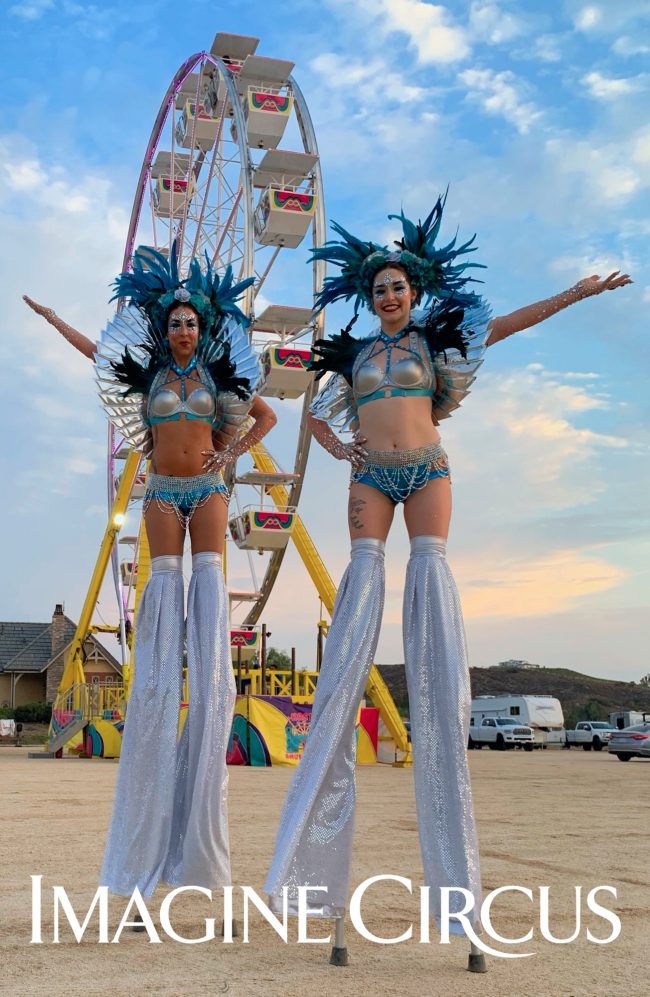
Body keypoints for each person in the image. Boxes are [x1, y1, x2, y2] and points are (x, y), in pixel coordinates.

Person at [263, 195, 631, 945]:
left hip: (427, 471)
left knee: (430, 583)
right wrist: (340, 453)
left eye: (399, 287)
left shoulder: (435, 345)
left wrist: (576, 294)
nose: (390, 296)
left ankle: (454, 871)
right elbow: (311, 414)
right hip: (373, 478)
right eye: (380, 290)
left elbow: (506, 326)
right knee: (361, 594)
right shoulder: (357, 357)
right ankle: (314, 858)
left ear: (415, 293)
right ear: (370, 301)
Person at [24, 244, 276, 898]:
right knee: (162, 613)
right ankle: (145, 850)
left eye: (192, 323)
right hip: (163, 492)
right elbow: (98, 355)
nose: (184, 330)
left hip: (210, 492)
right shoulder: (153, 379)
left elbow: (268, 413)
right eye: (176, 324)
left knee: (211, 619)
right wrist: (55, 319)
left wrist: (232, 453)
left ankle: (204, 856)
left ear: (204, 329)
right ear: (165, 330)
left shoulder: (219, 377)